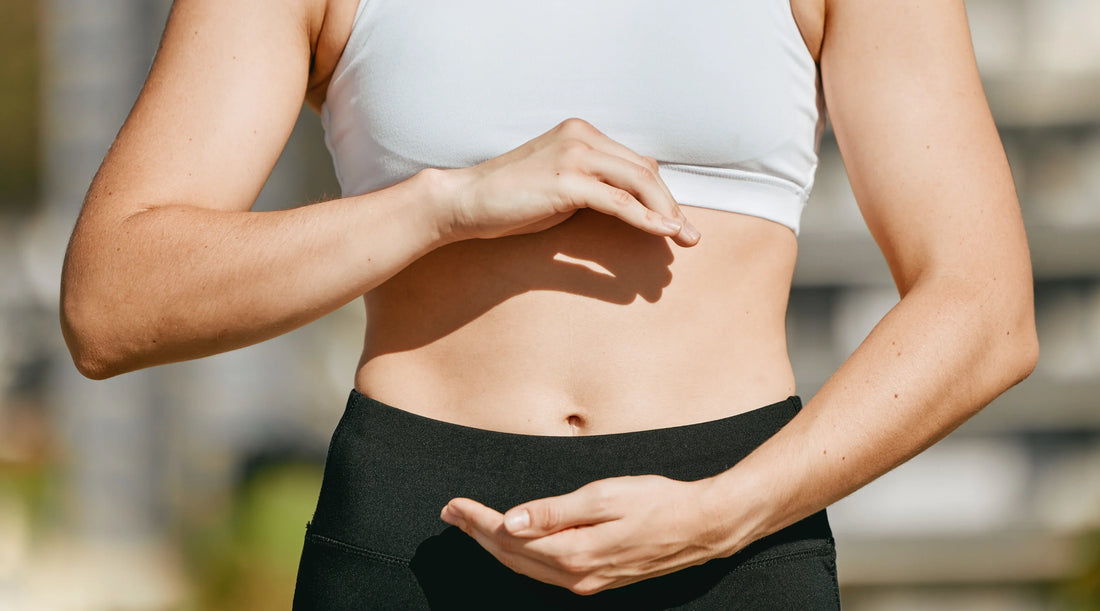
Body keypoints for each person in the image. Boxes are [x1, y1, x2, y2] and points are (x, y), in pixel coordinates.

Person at [59, 0, 1038, 608]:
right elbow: (113, 299)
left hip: (731, 544)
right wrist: (444, 203)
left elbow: (981, 306)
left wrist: (725, 511)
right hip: (417, 542)